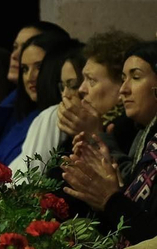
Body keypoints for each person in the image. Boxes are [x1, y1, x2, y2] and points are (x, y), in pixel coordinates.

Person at [64, 41, 157, 249]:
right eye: (123, 79)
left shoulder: (126, 128)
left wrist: (110, 197)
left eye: (135, 77)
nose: (124, 89)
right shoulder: (143, 133)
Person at [59, 30, 145, 160]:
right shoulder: (91, 124)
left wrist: (94, 137)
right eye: (83, 79)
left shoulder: (130, 130)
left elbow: (121, 172)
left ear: (121, 86)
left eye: (91, 80)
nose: (81, 89)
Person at [15, 41, 83, 179]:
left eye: (73, 85)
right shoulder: (36, 115)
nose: (30, 77)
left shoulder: (53, 115)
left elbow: (31, 181)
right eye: (25, 69)